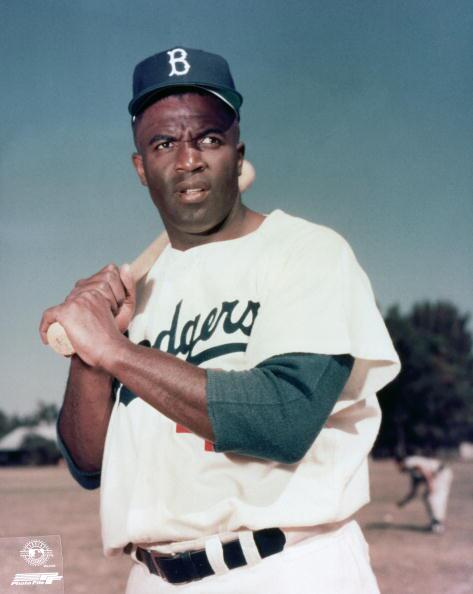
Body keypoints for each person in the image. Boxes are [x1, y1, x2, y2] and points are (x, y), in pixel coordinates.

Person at [40, 47, 400, 593]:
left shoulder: (307, 253)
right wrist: (92, 354)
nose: (188, 161)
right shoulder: (141, 290)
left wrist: (117, 353)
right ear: (141, 168)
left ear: (238, 152)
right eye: (164, 144)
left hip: (288, 568)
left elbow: (283, 418)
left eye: (207, 138)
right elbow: (89, 464)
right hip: (153, 576)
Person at [396, 454, 453, 534]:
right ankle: (435, 523)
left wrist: (430, 484)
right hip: (437, 475)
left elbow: (423, 470)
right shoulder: (413, 473)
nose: (398, 468)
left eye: (398, 465)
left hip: (441, 473)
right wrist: (404, 502)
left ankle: (438, 525)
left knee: (433, 498)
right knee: (427, 498)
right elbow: (414, 492)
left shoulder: (408, 462)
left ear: (401, 462)